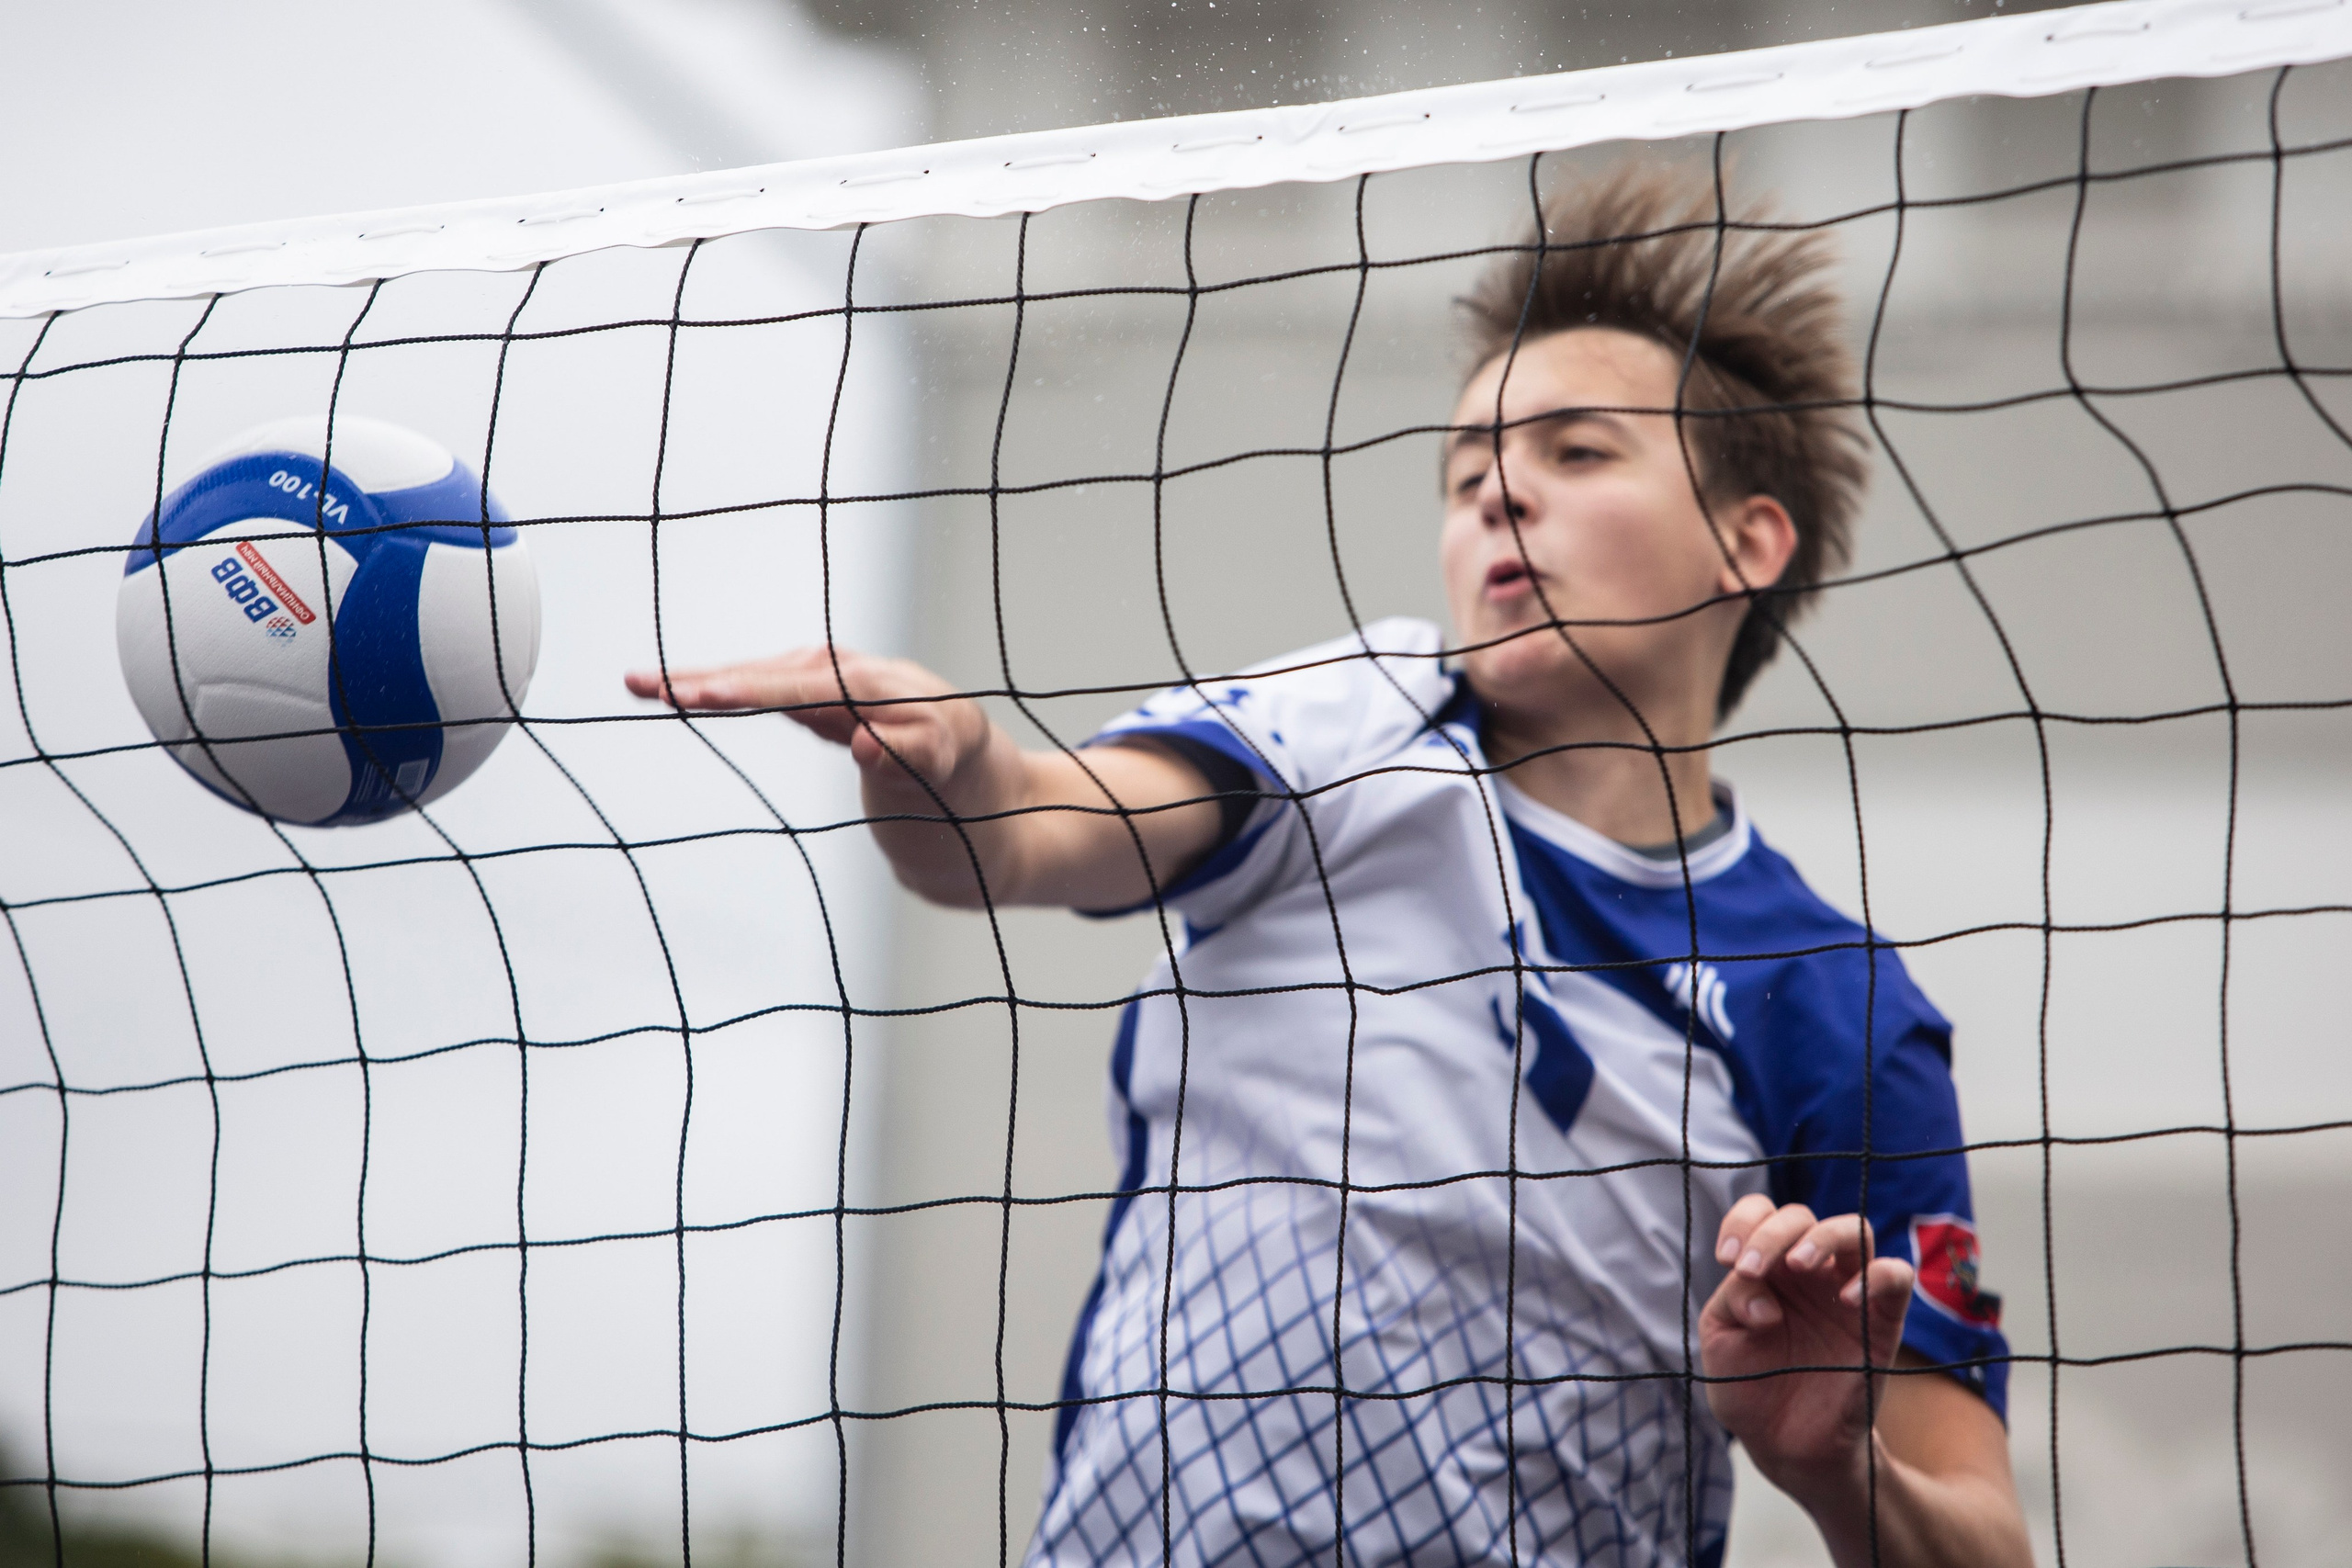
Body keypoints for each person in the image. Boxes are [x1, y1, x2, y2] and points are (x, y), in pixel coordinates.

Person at [627, 166, 2031, 1568]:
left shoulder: (1836, 1005)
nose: (1501, 496)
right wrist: (957, 766)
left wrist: (1833, 1466)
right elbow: (1028, 830)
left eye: (1576, 453)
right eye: (1467, 474)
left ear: (1746, 541)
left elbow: (1982, 1542)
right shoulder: (1364, 726)